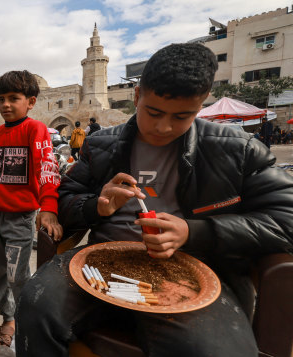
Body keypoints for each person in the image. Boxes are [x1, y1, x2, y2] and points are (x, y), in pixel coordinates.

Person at [15, 43, 293, 357]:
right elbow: (65, 199)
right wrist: (98, 206)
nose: (164, 127)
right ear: (137, 97)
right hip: (103, 262)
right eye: (154, 112)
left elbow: (286, 219)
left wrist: (193, 232)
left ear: (200, 107)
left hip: (196, 272)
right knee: (35, 306)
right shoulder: (101, 144)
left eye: (182, 116)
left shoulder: (235, 150)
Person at [0, 70, 63, 347]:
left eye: (14, 98)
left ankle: (27, 322)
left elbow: (47, 168)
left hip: (20, 219)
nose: (6, 105)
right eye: (1, 99)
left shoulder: (35, 129)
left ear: (31, 101)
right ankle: (8, 318)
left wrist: (49, 207)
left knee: (17, 275)